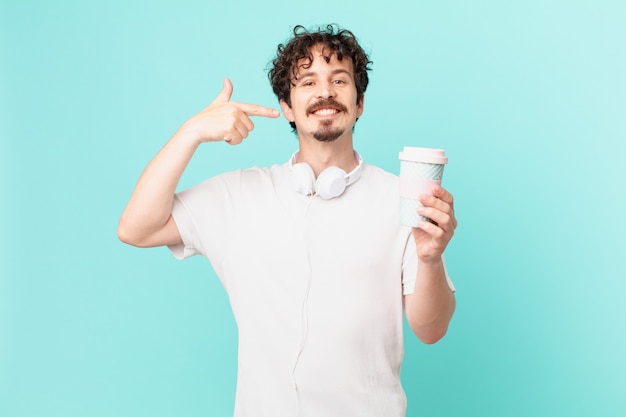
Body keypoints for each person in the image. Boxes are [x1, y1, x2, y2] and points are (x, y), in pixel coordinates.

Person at [118, 24, 457, 417]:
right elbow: (135, 229)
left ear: (359, 102)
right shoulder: (238, 196)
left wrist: (430, 258)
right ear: (287, 107)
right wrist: (190, 133)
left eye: (339, 80)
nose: (325, 92)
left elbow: (431, 331)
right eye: (308, 81)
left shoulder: (402, 201)